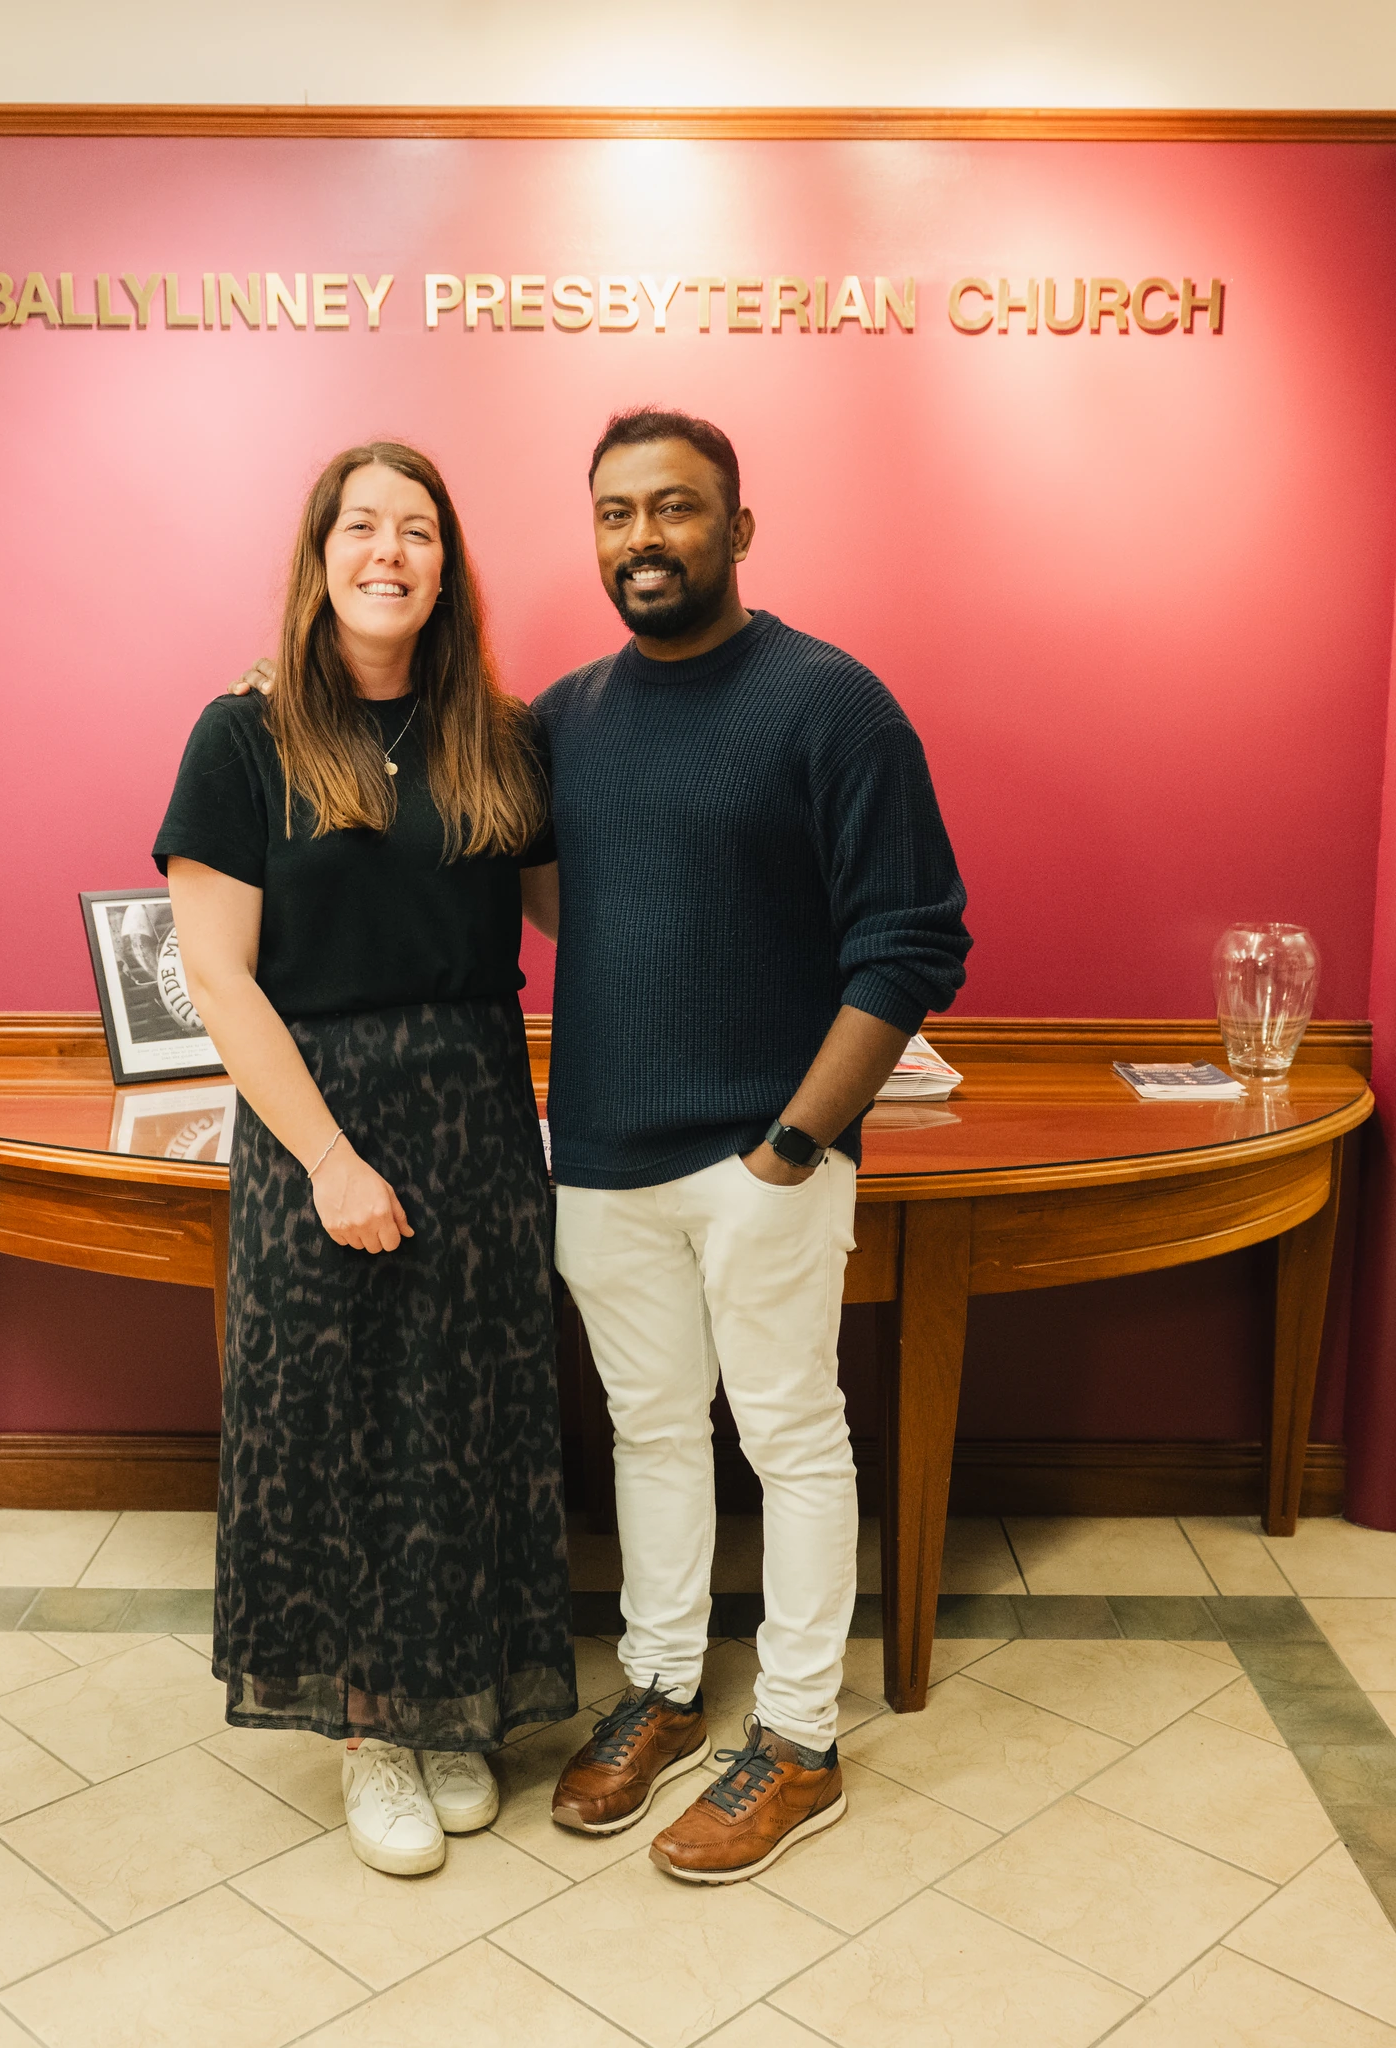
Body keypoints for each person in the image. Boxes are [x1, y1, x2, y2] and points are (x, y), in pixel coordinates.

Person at [540, 408, 971, 1883]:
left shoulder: (828, 703)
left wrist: (795, 1140)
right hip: (596, 1154)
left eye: (672, 508)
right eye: (613, 512)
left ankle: (796, 1738)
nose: (640, 537)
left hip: (760, 1157)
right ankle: (660, 1687)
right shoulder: (568, 716)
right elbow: (554, 888)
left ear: (738, 527)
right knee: (650, 1435)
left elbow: (913, 944)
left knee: (787, 1438)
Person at [156, 440, 576, 1879]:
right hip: (310, 1121)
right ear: (319, 555)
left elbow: (575, 924)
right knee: (335, 1434)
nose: (387, 551)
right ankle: (368, 1734)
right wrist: (332, 1160)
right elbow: (217, 978)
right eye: (361, 527)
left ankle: (451, 1707)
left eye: (416, 530)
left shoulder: (499, 738)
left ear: (446, 564)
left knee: (463, 1421)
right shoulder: (244, 735)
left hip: (472, 1113)